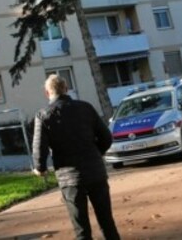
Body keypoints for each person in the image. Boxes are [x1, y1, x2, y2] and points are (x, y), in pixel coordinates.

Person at [32, 75, 120, 240]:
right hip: (95, 171)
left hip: (69, 177)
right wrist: (95, 152)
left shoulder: (43, 116)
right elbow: (106, 137)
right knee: (107, 223)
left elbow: (39, 147)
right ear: (66, 89)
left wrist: (40, 168)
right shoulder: (86, 107)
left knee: (81, 230)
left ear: (47, 93)